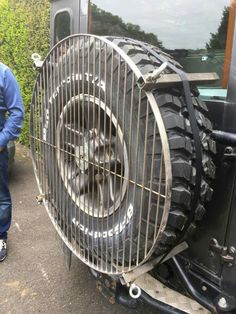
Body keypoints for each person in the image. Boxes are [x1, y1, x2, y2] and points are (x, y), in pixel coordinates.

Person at [0, 62, 24, 262]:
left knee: (0, 196)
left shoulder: (4, 73)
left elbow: (17, 112)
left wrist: (1, 141)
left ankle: (0, 236)